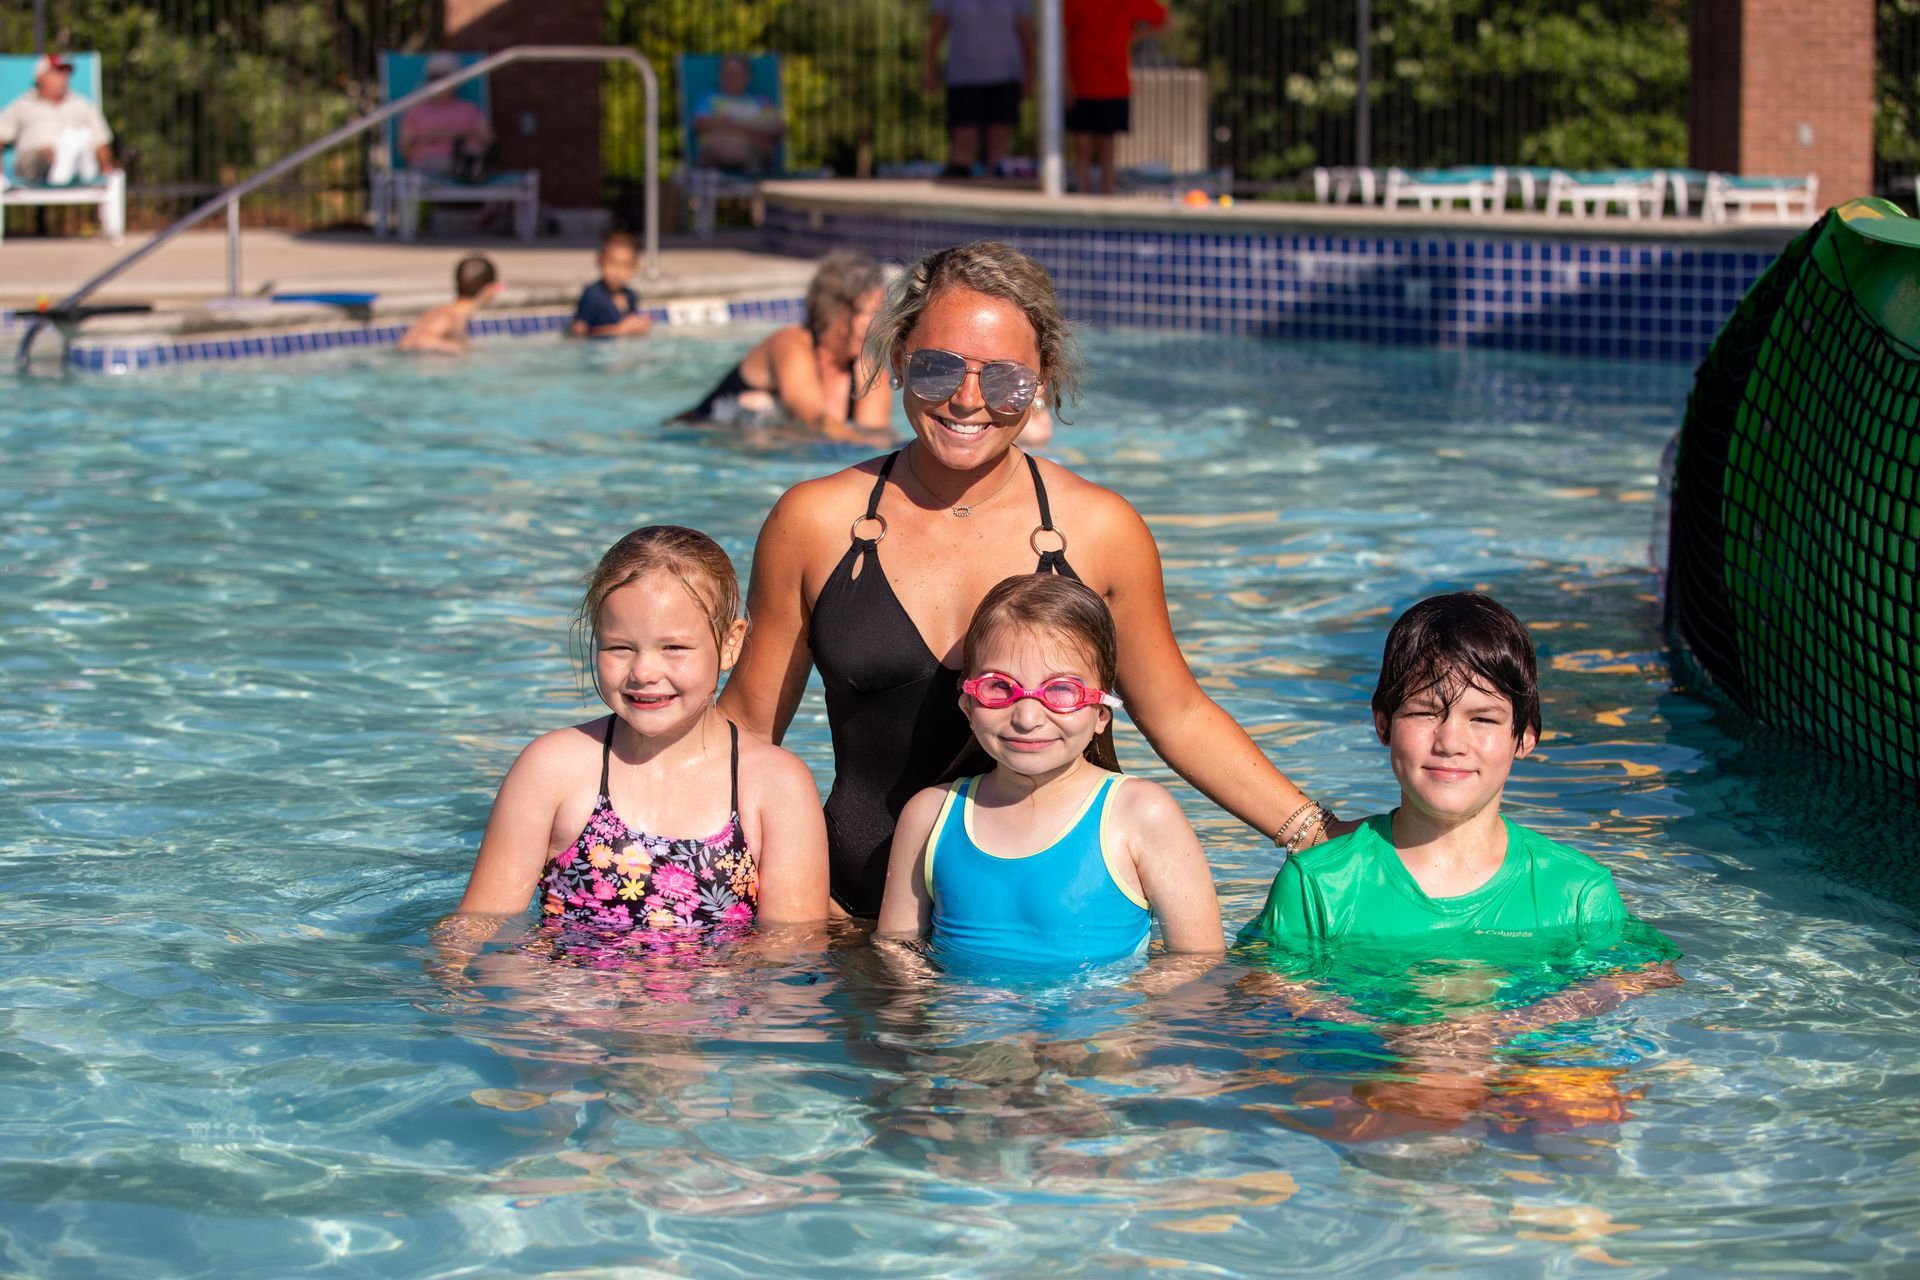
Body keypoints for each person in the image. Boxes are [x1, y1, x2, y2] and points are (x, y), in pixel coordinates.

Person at [719, 240, 1335, 918]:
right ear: (897, 361)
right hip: (849, 922)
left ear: (1041, 380)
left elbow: (1177, 713)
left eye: (1005, 379)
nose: (967, 400)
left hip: (1057, 927)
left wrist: (1311, 833)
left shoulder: (1100, 530)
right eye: (936, 369)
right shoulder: (815, 521)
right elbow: (745, 729)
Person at [1239, 592, 1673, 956]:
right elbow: (1275, 1015)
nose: (1450, 742)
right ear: (1383, 724)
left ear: (1524, 737)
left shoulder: (1576, 893)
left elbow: (1636, 985)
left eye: (1483, 719)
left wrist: (1508, 1025)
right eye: (1425, 712)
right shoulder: (1319, 887)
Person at [457, 525, 829, 931]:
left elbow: (791, 953)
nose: (644, 672)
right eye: (620, 647)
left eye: (674, 648)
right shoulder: (552, 768)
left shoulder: (775, 785)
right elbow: (477, 927)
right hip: (568, 993)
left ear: (729, 644)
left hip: (715, 994)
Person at [876, 574, 1223, 966]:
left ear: (1100, 715)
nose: (1027, 717)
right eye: (999, 688)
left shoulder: (1141, 814)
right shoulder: (929, 815)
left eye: (1061, 691)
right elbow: (896, 951)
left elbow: (1197, 961)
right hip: (964, 1024)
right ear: (967, 707)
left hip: (1101, 1026)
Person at [674, 249, 893, 434]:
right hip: (695, 437)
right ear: (832, 310)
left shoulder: (870, 369)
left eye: (878, 314)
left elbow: (874, 440)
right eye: (863, 313)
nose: (872, 325)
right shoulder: (791, 344)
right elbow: (814, 421)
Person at [1062, 0, 1168, 195]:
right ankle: (1080, 198)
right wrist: (1067, 82)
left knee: (1107, 148)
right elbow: (1062, 35)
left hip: (1113, 84)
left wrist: (1132, 36)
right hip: (1081, 82)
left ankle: (1106, 198)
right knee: (1081, 146)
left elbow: (1165, 20)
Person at [924, 0, 1034, 179]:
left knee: (998, 153)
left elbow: (1027, 33)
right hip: (963, 76)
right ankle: (956, 197)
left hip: (1005, 75)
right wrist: (929, 68)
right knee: (962, 147)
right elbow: (936, 28)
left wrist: (1030, 74)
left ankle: (995, 196)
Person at [0, 53, 116, 186]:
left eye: (66, 73)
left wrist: (107, 168)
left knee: (79, 140)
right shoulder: (22, 105)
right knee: (38, 157)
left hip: (77, 163)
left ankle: (70, 160)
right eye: (57, 72)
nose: (63, 78)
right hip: (34, 165)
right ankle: (65, 158)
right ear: (40, 76)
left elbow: (100, 141)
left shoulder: (83, 105)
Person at [398, 51, 492, 181]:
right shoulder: (414, 111)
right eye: (433, 77)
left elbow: (489, 141)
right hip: (426, 166)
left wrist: (456, 135)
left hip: (465, 161)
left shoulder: (470, 110)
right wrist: (430, 137)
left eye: (443, 77)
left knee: (472, 158)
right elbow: (404, 150)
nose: (438, 82)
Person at [689, 55, 784, 175]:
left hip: (755, 152)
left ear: (747, 77)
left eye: (734, 75)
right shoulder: (709, 100)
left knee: (753, 153)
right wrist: (751, 130)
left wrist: (727, 125)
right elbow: (700, 125)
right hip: (718, 149)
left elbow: (777, 129)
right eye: (725, 74)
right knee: (725, 148)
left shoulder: (761, 102)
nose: (729, 79)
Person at [396, 254, 499, 354]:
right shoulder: (449, 317)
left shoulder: (442, 312)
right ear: (489, 289)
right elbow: (422, 341)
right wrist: (458, 350)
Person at [570, 230, 653, 339]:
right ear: (600, 261)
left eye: (625, 266)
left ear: (634, 267)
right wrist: (618, 330)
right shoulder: (592, 295)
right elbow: (578, 330)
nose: (618, 271)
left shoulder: (630, 295)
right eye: (612, 263)